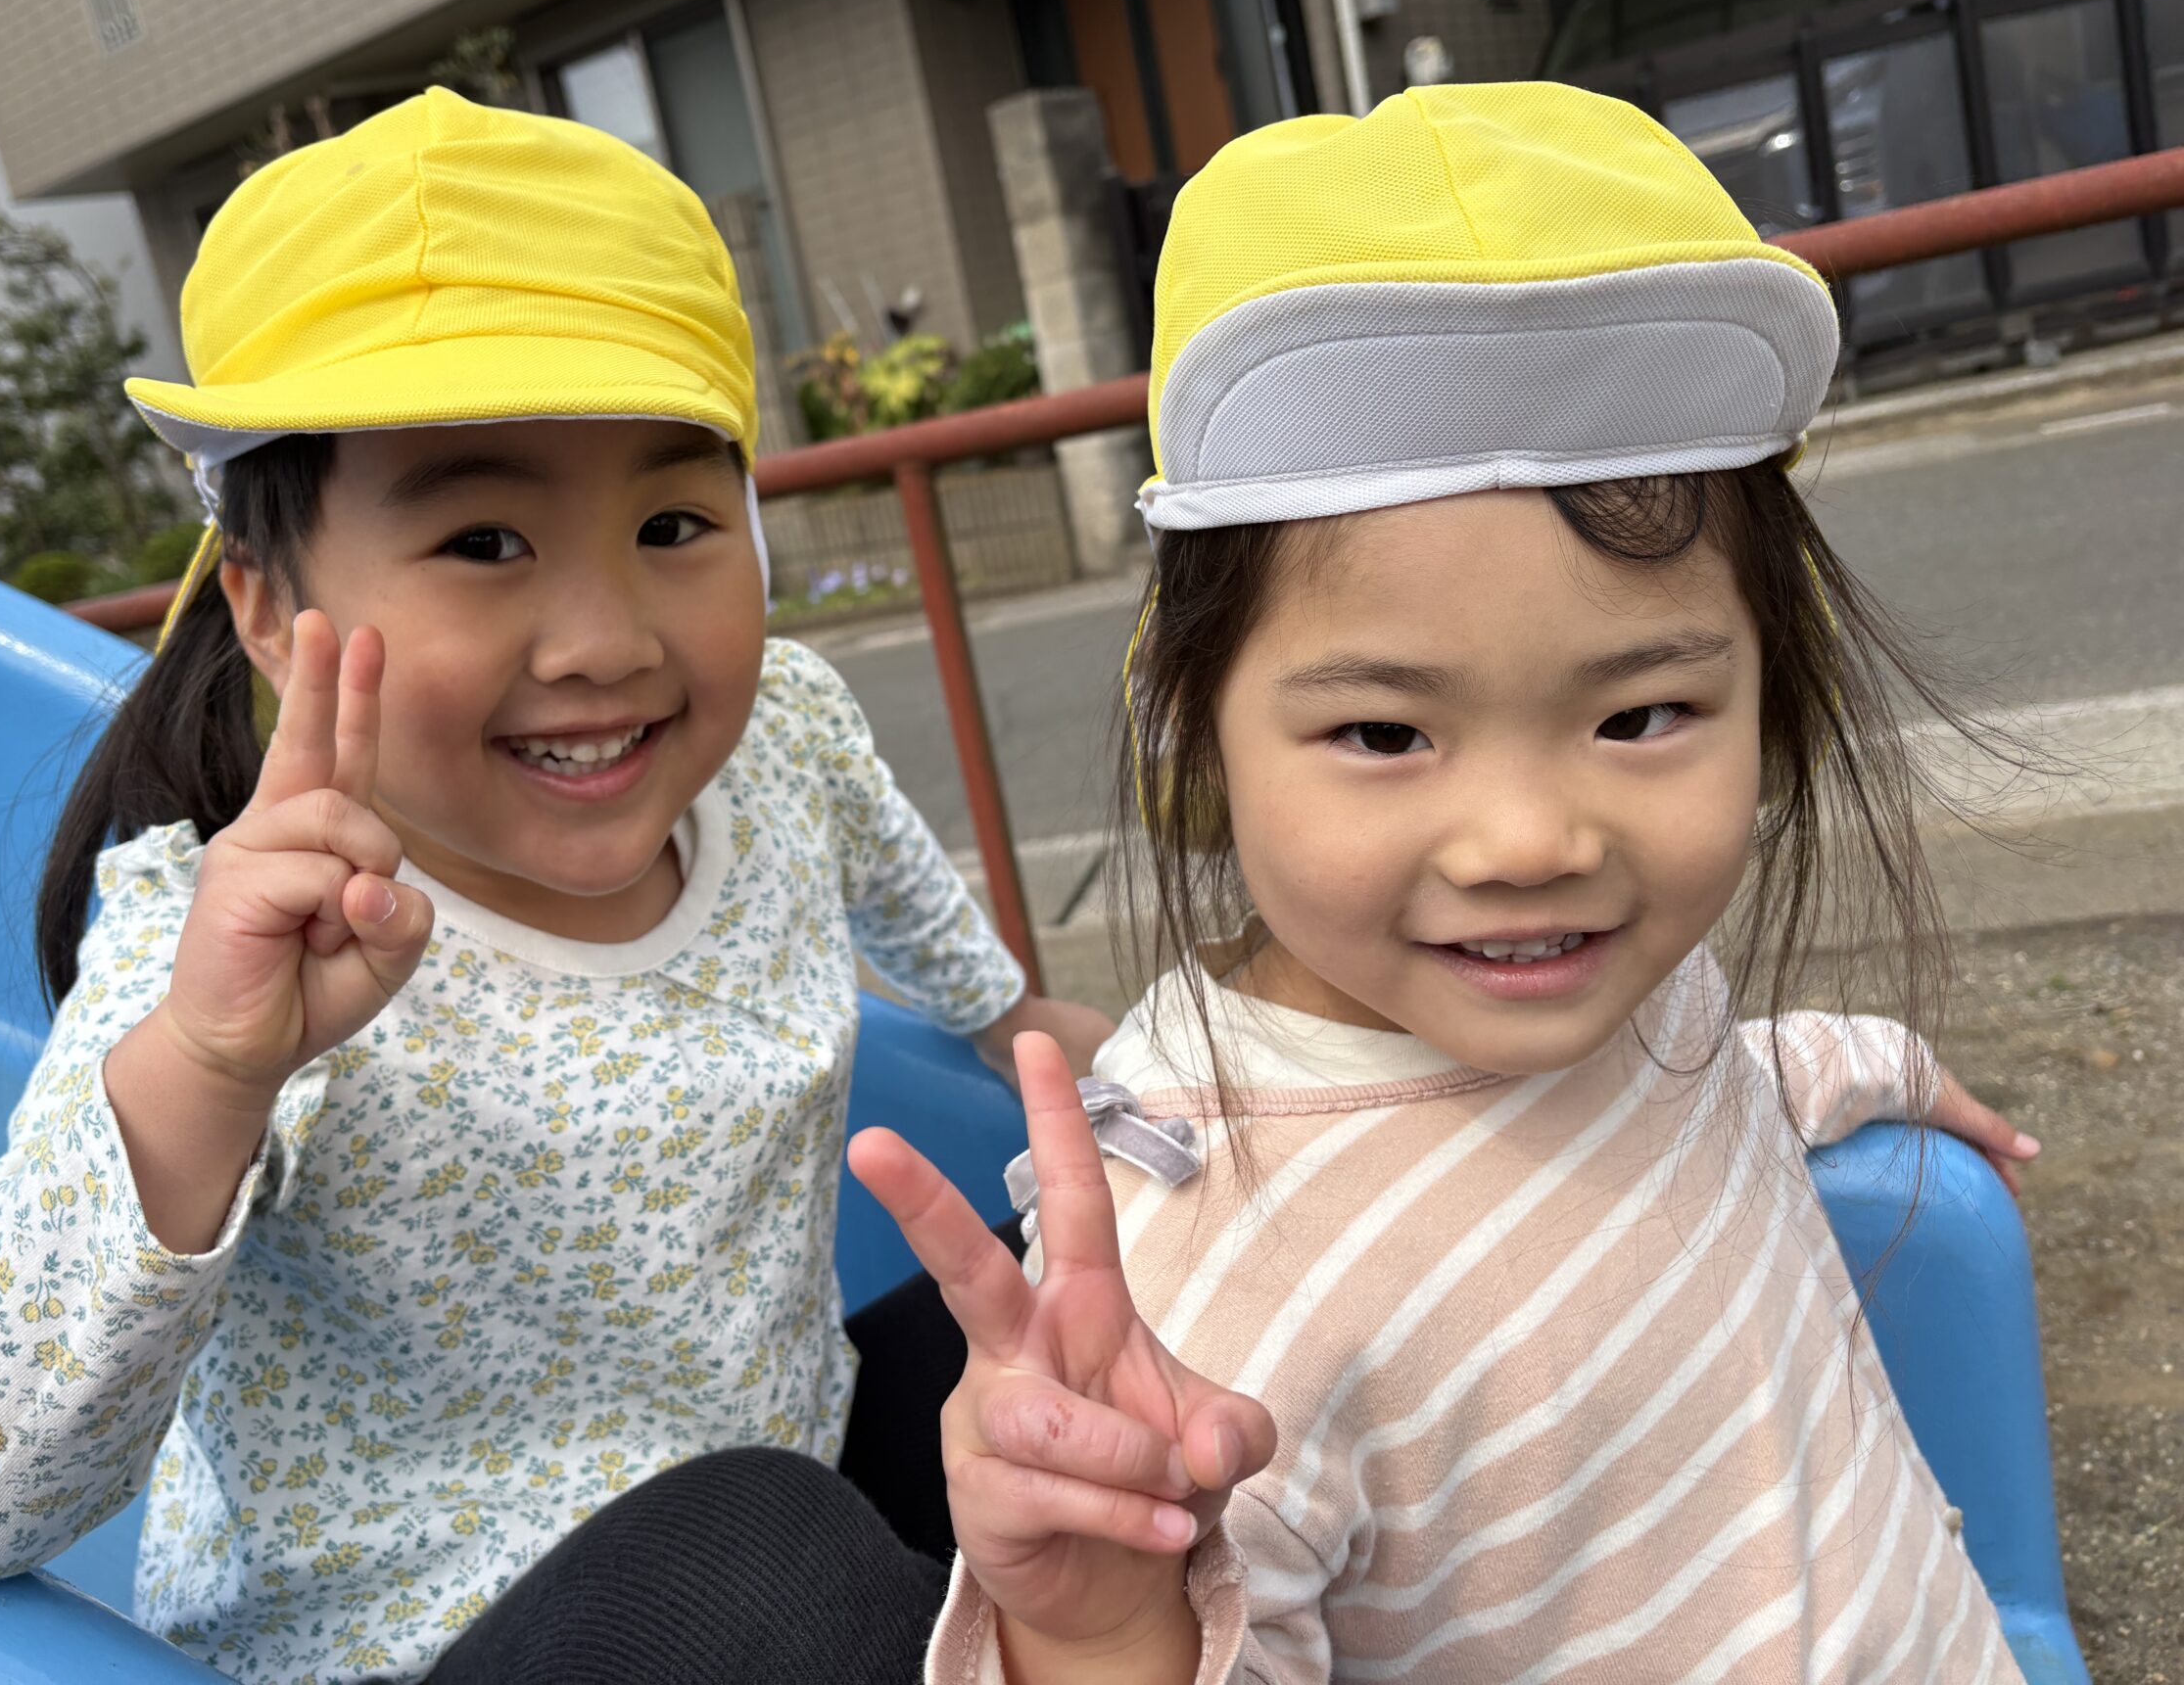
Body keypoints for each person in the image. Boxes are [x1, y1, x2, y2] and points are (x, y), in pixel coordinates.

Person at [0, 88, 1110, 1685]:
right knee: (759, 1553)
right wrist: (208, 1074)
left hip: (773, 1487)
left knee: (1062, 1314)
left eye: (673, 522)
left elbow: (898, 882)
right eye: (484, 543)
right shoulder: (240, 954)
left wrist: (1005, 1011)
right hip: (429, 1644)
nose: (605, 640)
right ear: (268, 608)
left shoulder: (780, 740)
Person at [852, 83, 2040, 1682]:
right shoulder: (1190, 1288)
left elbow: (1692, 1092)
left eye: (1642, 716)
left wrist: (1877, 1064)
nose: (1530, 841)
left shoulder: (1625, 991)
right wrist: (1108, 1628)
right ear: (1193, 745)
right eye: (1387, 733)